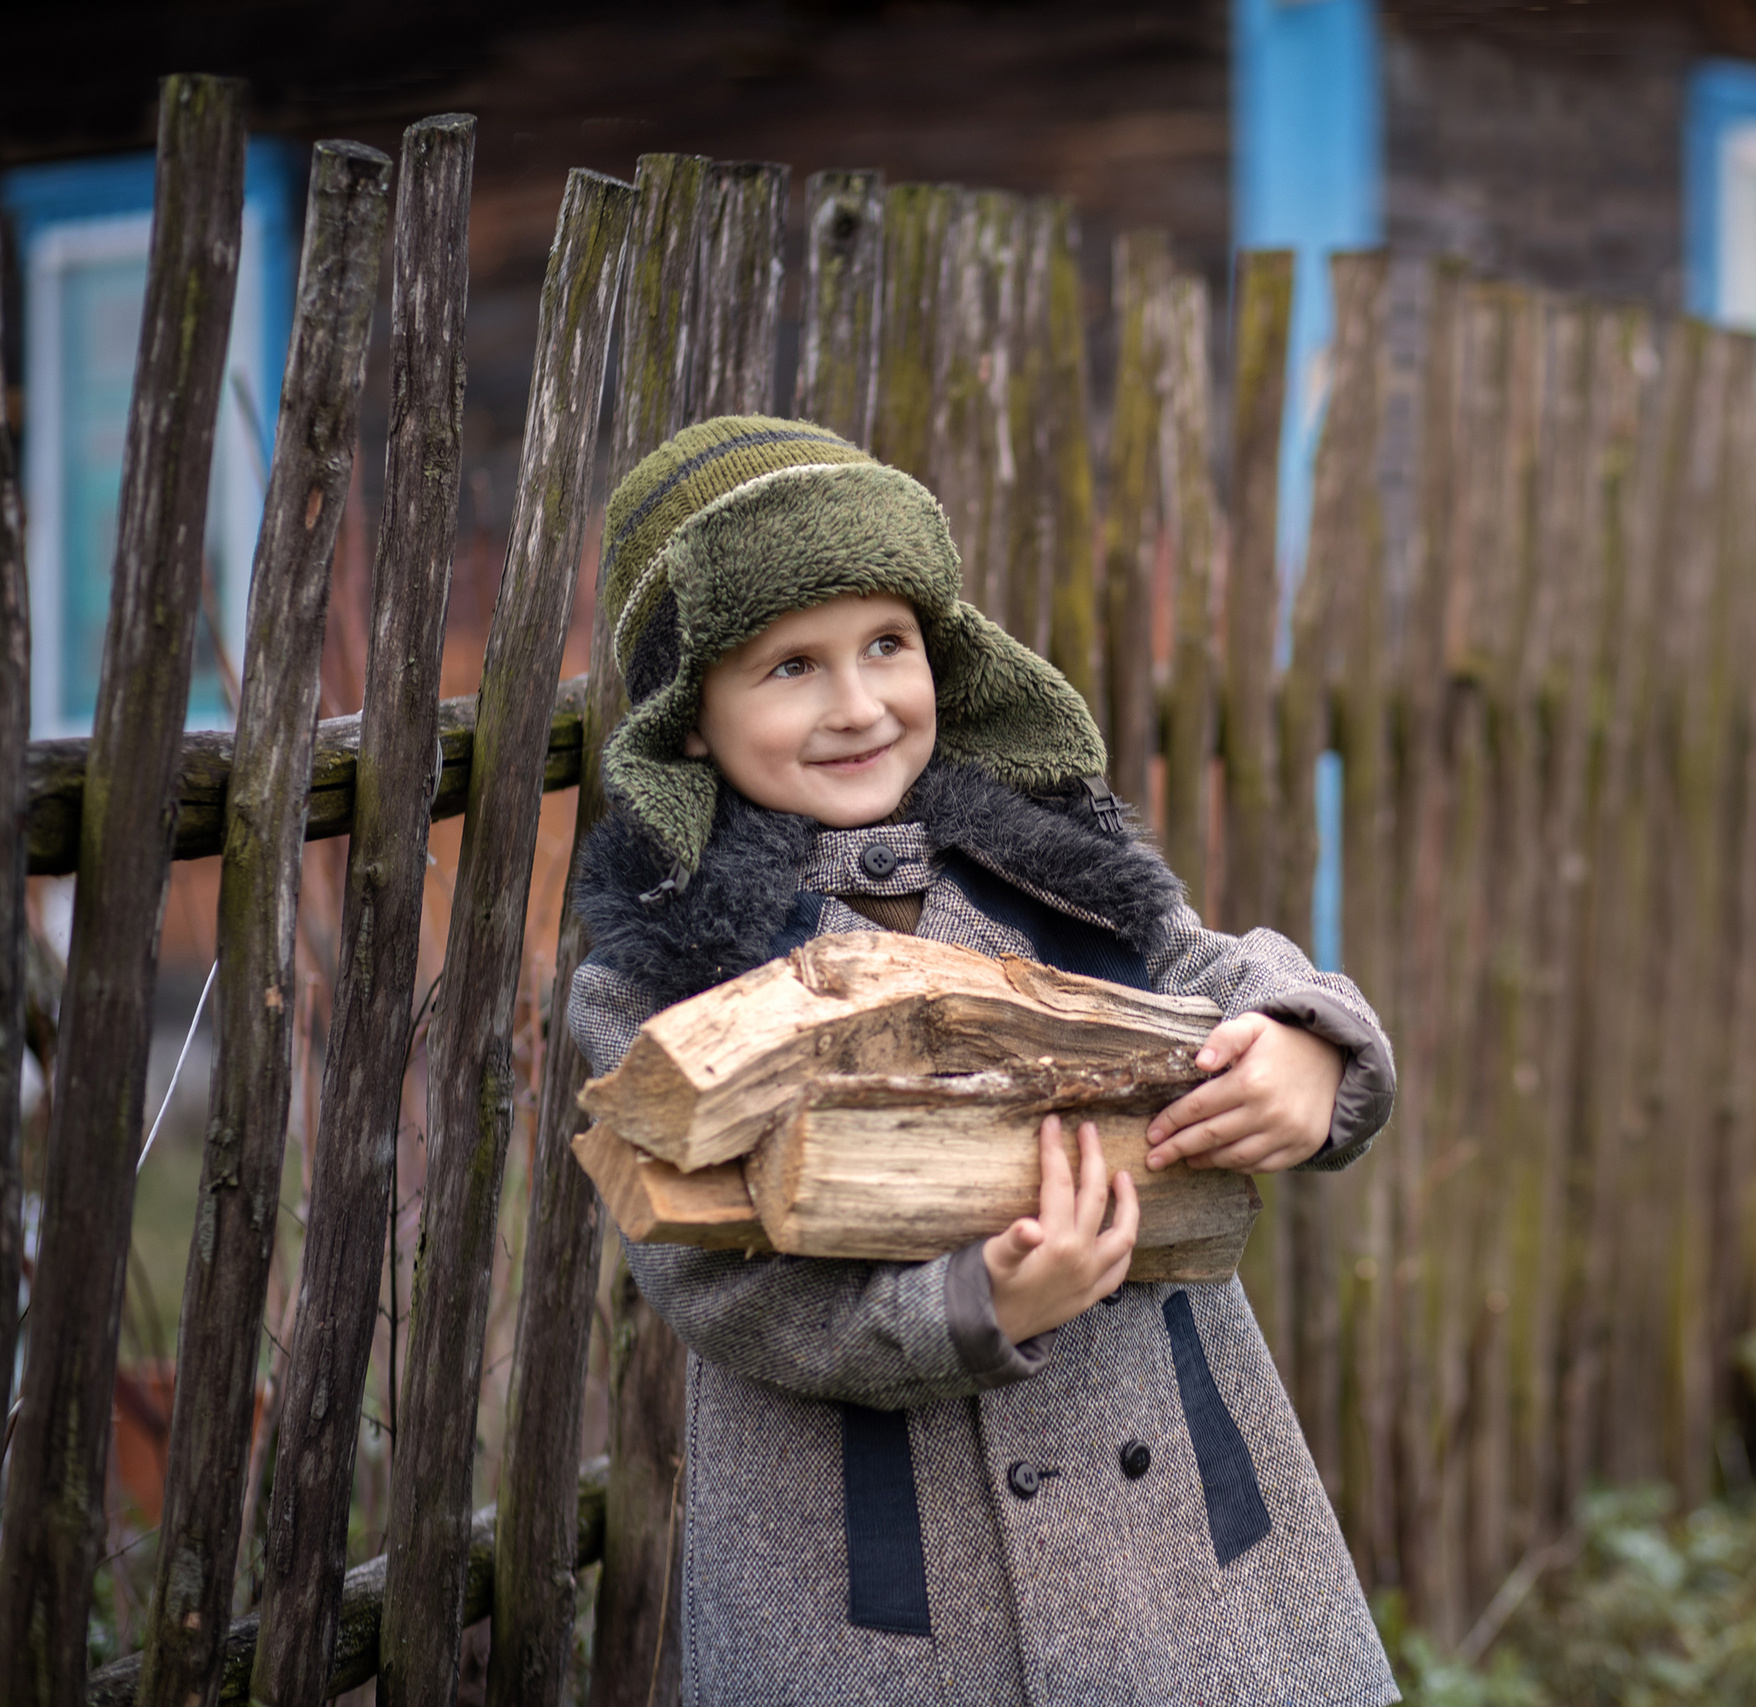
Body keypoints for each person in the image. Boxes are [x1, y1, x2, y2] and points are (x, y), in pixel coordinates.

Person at [565, 415, 1400, 1706]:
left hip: (1178, 1542)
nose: (857, 705)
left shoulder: (1045, 867)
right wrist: (970, 1310)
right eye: (791, 666)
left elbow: (1216, 970)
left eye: (886, 646)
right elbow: (707, 1281)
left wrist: (1303, 1042)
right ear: (688, 721)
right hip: (877, 1571)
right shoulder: (662, 974)